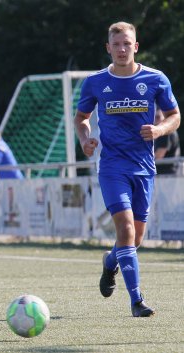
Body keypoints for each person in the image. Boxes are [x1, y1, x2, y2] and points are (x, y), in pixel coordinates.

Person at [74, 21, 180, 317]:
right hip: (112, 167)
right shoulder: (95, 82)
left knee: (135, 239)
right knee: (126, 228)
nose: (121, 49)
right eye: (116, 44)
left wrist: (159, 130)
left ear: (136, 46)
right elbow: (81, 117)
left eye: (126, 44)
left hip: (144, 167)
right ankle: (136, 301)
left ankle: (110, 263)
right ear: (108, 48)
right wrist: (85, 139)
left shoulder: (155, 79)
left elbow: (174, 115)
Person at [154, 110, 181, 175]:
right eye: (154, 117)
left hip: (167, 174)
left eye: (158, 117)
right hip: (167, 173)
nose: (155, 119)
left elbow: (159, 155)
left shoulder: (165, 132)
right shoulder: (161, 131)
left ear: (164, 118)